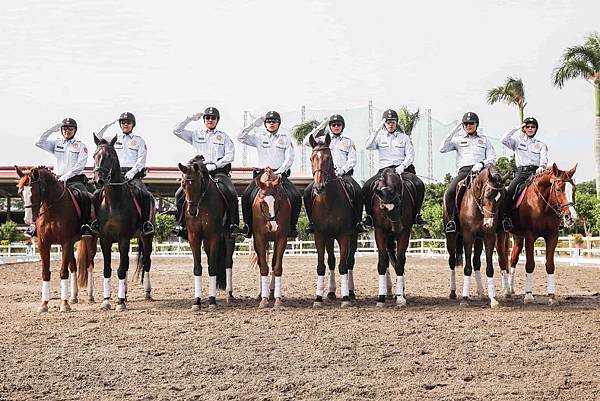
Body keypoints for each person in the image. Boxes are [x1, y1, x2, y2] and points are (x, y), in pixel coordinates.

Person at [172, 106, 240, 238]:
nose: (210, 120)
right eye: (207, 117)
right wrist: (190, 118)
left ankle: (233, 225)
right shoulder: (195, 134)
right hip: (199, 173)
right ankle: (181, 224)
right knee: (179, 194)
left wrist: (215, 165)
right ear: (204, 120)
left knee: (231, 193)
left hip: (218, 172)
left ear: (217, 120)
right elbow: (176, 130)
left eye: (213, 118)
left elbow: (230, 155)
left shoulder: (223, 136)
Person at [237, 111, 301, 238]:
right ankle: (248, 227)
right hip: (261, 175)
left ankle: (292, 227)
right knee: (246, 196)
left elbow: (290, 157)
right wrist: (253, 124)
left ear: (279, 123)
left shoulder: (285, 138)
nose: (271, 124)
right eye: (269, 121)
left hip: (279, 175)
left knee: (297, 196)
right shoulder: (259, 137)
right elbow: (240, 137)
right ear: (265, 124)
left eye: (274, 121)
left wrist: (279, 172)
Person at [28, 118, 95, 238]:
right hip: (56, 180)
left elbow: (80, 166)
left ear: (75, 130)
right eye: (64, 129)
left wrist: (66, 176)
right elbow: (38, 142)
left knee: (85, 196)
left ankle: (86, 225)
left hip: (73, 180)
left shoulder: (80, 146)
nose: (67, 131)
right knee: (39, 194)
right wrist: (53, 128)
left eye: (70, 129)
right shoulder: (56, 143)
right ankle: (35, 224)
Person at [302, 114, 365, 233]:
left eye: (338, 124)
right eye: (333, 124)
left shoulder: (348, 142)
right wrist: (321, 125)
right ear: (330, 127)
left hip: (343, 174)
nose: (336, 126)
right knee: (306, 192)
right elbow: (306, 140)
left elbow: (352, 160)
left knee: (357, 190)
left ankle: (358, 221)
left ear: (342, 127)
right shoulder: (322, 140)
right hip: (325, 175)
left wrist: (342, 170)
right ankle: (311, 222)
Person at [362, 109, 426, 227]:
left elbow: (410, 155)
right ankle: (369, 216)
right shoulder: (379, 137)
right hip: (383, 171)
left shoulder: (404, 137)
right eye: (387, 122)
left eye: (393, 121)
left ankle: (417, 214)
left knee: (419, 184)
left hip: (400, 170)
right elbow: (368, 145)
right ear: (384, 123)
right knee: (366, 187)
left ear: (396, 122)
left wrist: (402, 166)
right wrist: (377, 129)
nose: (390, 124)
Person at [94, 112, 154, 235]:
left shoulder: (139, 140)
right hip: (115, 175)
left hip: (132, 175)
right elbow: (98, 135)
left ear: (133, 125)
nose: (125, 124)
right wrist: (111, 122)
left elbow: (141, 159)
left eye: (128, 122)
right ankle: (95, 222)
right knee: (96, 195)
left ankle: (145, 223)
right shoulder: (113, 139)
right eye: (123, 122)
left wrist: (132, 172)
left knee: (145, 194)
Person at [439, 112, 497, 233]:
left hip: (482, 171)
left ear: (476, 125)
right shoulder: (458, 140)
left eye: (471, 123)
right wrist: (454, 130)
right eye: (466, 124)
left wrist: (481, 164)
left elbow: (492, 158)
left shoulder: (485, 140)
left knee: (499, 190)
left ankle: (501, 221)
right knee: (450, 192)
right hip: (464, 171)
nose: (468, 126)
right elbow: (442, 148)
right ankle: (452, 221)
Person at [500, 117, 548, 231]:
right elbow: (503, 140)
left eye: (533, 127)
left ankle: (557, 218)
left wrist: (541, 167)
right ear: (524, 128)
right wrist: (515, 129)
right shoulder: (517, 142)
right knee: (509, 192)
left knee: (553, 190)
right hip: (521, 173)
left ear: (536, 129)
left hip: (537, 172)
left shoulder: (541, 145)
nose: (530, 128)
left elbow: (544, 159)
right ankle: (506, 218)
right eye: (528, 126)